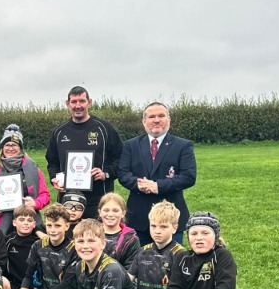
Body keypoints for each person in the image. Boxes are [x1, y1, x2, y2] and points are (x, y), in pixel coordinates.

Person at [118, 102, 197, 245]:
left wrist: (157, 186)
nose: (156, 120)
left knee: (171, 258)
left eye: (161, 116)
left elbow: (188, 177)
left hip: (170, 219)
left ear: (169, 119)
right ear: (144, 121)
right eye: (151, 117)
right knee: (138, 258)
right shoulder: (130, 145)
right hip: (138, 218)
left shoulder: (183, 146)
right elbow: (123, 174)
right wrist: (138, 185)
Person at [46, 86, 123, 219]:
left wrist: (106, 173)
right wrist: (54, 177)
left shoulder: (103, 128)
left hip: (99, 201)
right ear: (67, 103)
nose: (78, 106)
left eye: (82, 101)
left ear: (89, 102)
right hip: (68, 201)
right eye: (74, 102)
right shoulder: (59, 132)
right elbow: (52, 161)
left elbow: (121, 157)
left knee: (96, 233)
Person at [0, 124, 50, 233]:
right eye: (7, 145)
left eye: (14, 145)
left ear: (20, 148)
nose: (10, 148)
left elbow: (45, 195)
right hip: (1, 223)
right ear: (2, 148)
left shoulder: (33, 168)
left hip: (28, 221)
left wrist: (35, 203)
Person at [98, 193, 140, 271]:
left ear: (123, 213)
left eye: (115, 211)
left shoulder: (131, 239)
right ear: (100, 212)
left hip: (120, 277)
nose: (110, 214)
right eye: (106, 210)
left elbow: (131, 268)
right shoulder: (91, 234)